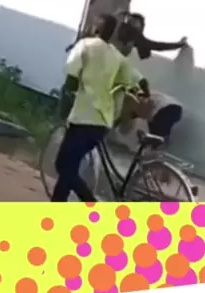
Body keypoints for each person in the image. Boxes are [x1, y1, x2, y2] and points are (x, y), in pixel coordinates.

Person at [52, 13, 142, 202]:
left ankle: (90, 202)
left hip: (82, 118)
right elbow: (129, 83)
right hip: (101, 123)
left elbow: (71, 81)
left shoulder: (85, 45)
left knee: (63, 166)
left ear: (97, 29)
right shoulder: (117, 57)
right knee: (69, 168)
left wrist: (65, 108)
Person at [116, 11, 188, 61]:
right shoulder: (132, 32)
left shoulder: (135, 36)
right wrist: (179, 44)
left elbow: (157, 46)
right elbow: (158, 46)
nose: (140, 27)